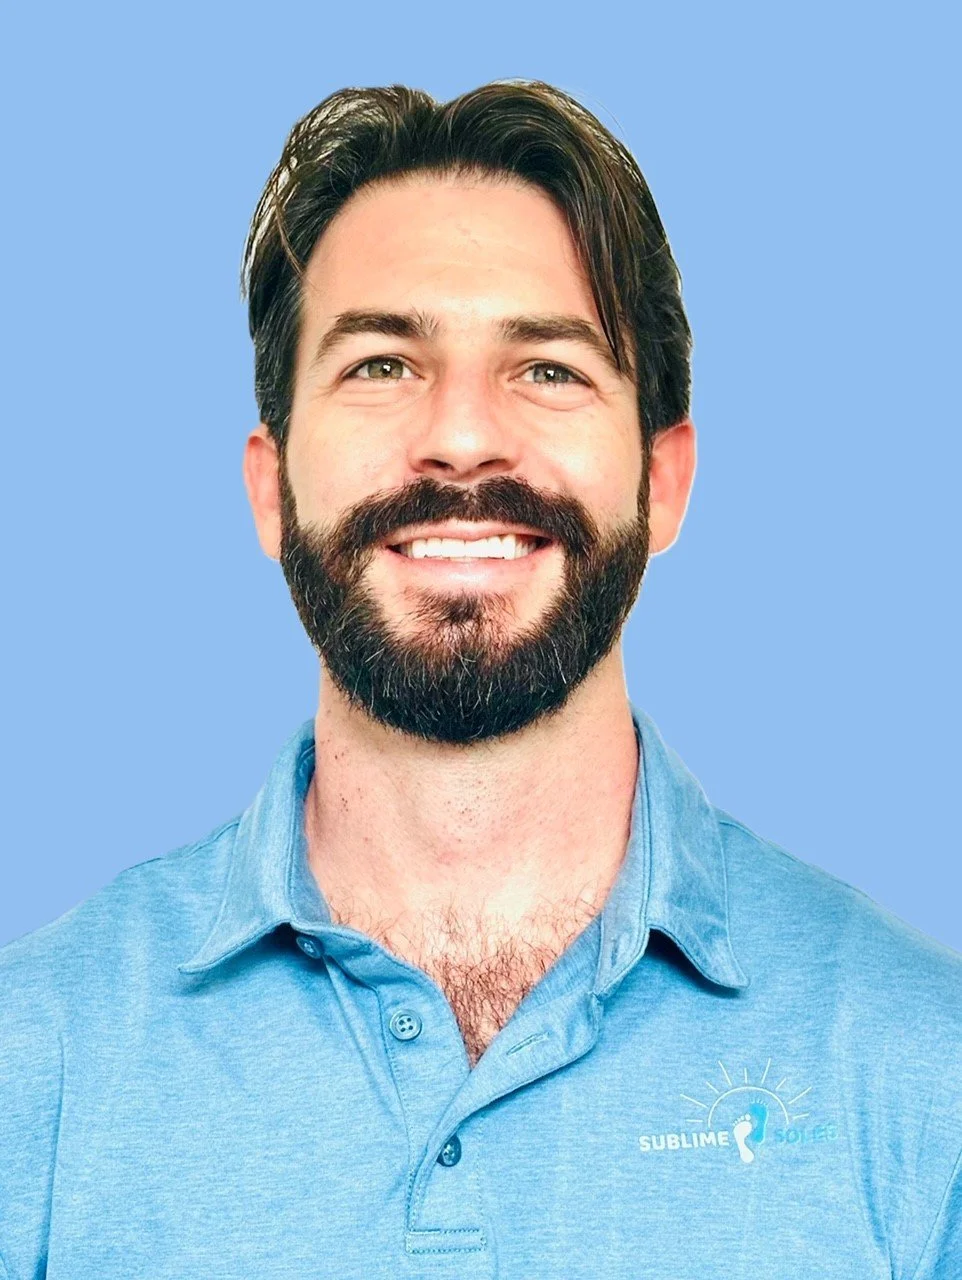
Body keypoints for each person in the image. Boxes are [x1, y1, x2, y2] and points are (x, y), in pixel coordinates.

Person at [1, 79, 959, 1279]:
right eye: (381, 364)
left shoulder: (926, 1069)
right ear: (269, 484)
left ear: (663, 481)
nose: (460, 435)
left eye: (547, 368)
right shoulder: (29, 1063)